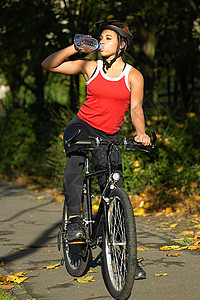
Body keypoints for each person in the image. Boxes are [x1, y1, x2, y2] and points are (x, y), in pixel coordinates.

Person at [41, 19, 150, 280]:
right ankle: (75, 222)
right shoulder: (91, 67)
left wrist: (140, 132)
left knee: (115, 188)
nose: (102, 42)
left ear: (122, 44)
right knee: (74, 167)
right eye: (101, 38)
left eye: (108, 38)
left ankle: (126, 256)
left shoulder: (133, 76)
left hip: (110, 134)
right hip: (83, 127)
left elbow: (135, 109)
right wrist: (74, 48)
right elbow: (48, 64)